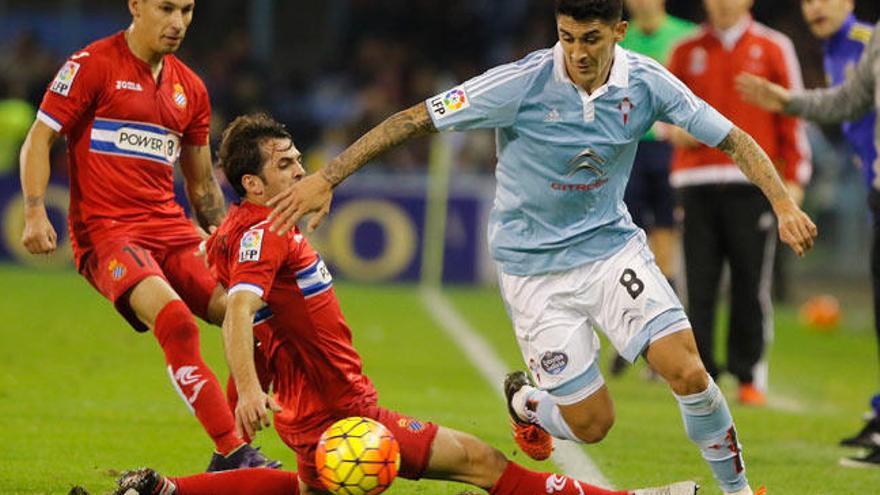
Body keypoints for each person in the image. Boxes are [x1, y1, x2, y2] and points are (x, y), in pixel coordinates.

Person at [266, 1, 817, 493]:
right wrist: (330, 176)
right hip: (534, 274)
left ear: (619, 32)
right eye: (567, 37)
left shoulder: (648, 83)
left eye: (591, 39)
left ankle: (737, 490)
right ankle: (528, 402)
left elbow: (734, 137)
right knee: (593, 426)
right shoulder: (521, 82)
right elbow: (417, 119)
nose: (576, 52)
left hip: (610, 251)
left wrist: (784, 204)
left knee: (690, 371)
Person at [92, 113, 699, 495]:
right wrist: (247, 390)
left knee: (308, 488)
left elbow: (250, 307)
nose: (303, 169)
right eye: (287, 165)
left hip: (310, 410)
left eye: (300, 158)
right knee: (484, 463)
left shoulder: (245, 229)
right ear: (252, 184)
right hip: (343, 412)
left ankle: (165, 488)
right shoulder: (265, 233)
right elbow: (241, 311)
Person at [18, 0, 277, 471]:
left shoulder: (191, 88)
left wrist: (222, 236)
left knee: (253, 316)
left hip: (172, 230)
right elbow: (39, 137)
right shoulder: (90, 66)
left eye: (187, 10)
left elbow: (200, 184)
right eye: (165, 9)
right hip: (108, 235)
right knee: (175, 321)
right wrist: (35, 211)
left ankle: (242, 448)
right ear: (136, 6)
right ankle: (235, 452)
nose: (177, 23)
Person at [736, 1, 880, 468]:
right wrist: (787, 100)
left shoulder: (860, 41)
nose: (814, 6)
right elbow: (849, 102)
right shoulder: (876, 41)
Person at [665, 0, 812, 407]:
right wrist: (670, 130)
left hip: (753, 187)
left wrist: (794, 181)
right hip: (695, 182)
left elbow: (792, 115)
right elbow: (656, 109)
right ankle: (702, 378)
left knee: (751, 282)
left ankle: (749, 374)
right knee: (699, 284)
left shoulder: (774, 46)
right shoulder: (684, 49)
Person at [609, 0, 697, 376]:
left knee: (664, 248)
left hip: (668, 152)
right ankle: (630, 337)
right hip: (626, 151)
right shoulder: (616, 38)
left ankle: (662, 344)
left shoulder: (684, 38)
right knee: (624, 248)